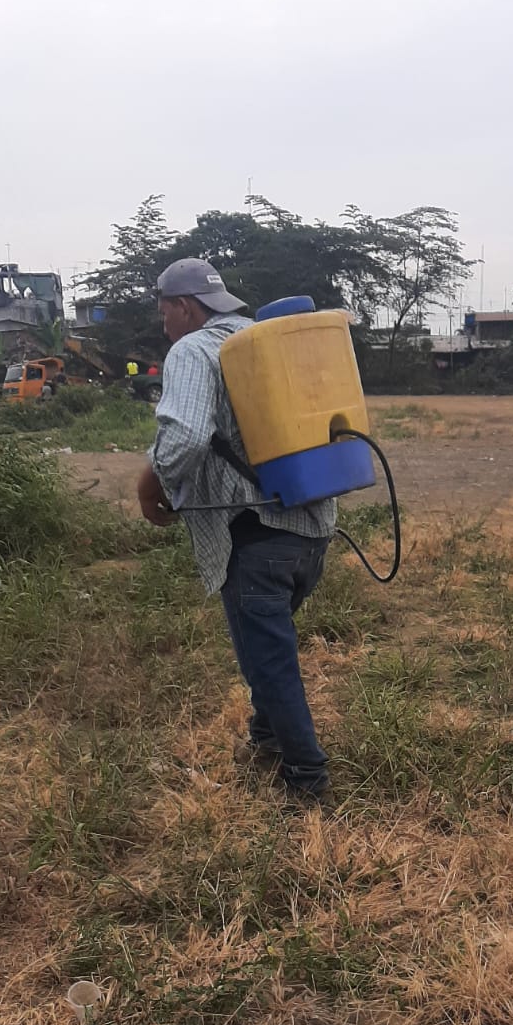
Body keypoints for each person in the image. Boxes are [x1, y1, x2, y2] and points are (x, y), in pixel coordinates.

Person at [136, 257, 336, 803]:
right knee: (264, 649)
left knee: (268, 664)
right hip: (313, 527)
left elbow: (185, 436)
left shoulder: (194, 350)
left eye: (164, 313)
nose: (164, 325)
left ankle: (307, 780)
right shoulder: (264, 339)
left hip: (255, 535)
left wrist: (151, 484)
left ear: (184, 307)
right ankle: (267, 738)